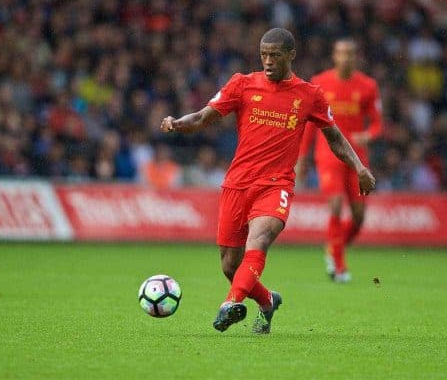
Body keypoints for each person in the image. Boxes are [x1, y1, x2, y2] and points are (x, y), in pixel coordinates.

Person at [160, 28, 376, 333]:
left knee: (258, 240)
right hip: (237, 184)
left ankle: (230, 302)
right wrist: (176, 123)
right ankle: (266, 301)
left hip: (276, 185)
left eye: (275, 55)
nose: (268, 61)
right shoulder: (242, 84)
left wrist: (360, 168)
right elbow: (202, 117)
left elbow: (335, 137)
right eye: (263, 54)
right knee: (230, 266)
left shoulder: (309, 94)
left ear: (291, 55)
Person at [298, 39, 383, 283]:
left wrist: (369, 135)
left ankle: (333, 249)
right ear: (334, 56)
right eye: (341, 53)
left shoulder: (368, 86)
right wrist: (302, 157)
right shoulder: (320, 82)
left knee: (358, 218)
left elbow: (377, 123)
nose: (345, 58)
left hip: (356, 158)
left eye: (350, 54)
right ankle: (339, 265)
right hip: (328, 154)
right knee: (335, 204)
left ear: (356, 57)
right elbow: (310, 125)